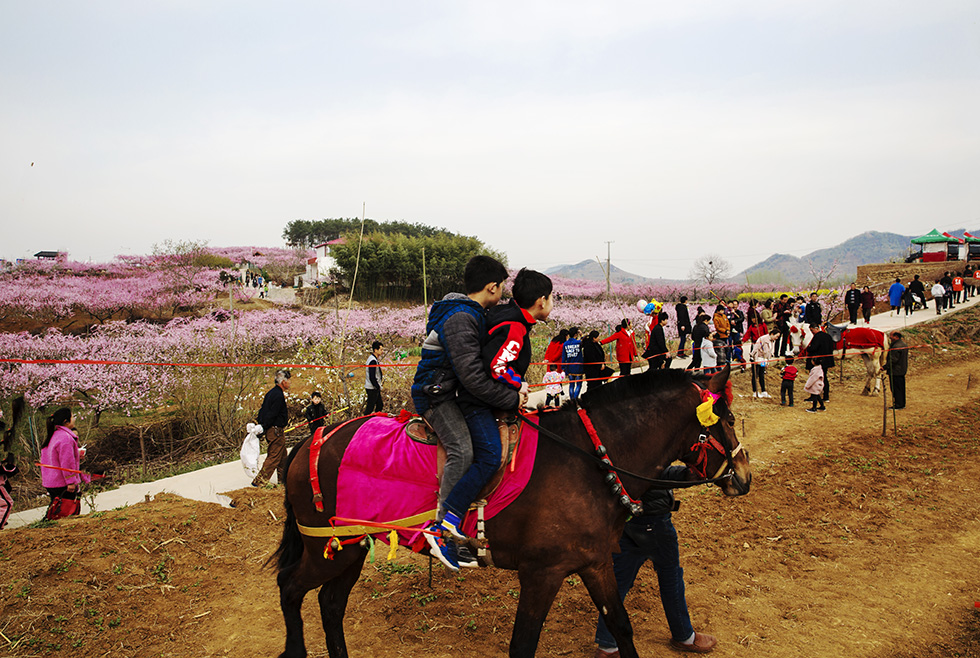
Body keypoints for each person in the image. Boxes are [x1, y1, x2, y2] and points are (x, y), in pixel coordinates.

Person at [412, 255, 520, 570]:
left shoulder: (469, 313)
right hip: (435, 396)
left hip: (448, 391)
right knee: (462, 449)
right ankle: (442, 532)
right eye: (501, 288)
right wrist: (511, 397)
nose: (502, 294)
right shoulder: (461, 318)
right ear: (492, 287)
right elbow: (472, 376)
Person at [593, 465, 718, 657]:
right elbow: (652, 473)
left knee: (618, 581)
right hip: (653, 521)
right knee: (671, 577)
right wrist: (688, 475)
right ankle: (684, 636)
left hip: (627, 517)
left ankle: (607, 645)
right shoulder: (641, 441)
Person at [40, 407, 90, 518]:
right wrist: (71, 482)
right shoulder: (66, 438)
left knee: (55, 509)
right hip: (62, 482)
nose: (74, 419)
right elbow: (66, 463)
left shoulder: (54, 435)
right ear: (65, 422)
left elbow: (53, 457)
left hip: (51, 481)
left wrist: (76, 455)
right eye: (72, 417)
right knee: (65, 513)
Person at [253, 369, 291, 487]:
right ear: (283, 382)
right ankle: (259, 482)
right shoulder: (278, 395)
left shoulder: (271, 393)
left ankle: (283, 480)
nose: (289, 383)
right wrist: (264, 426)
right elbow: (272, 414)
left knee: (282, 458)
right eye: (288, 381)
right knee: (274, 457)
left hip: (273, 430)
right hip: (275, 431)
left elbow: (262, 411)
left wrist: (261, 425)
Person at [805, 324, 835, 403]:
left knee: (815, 378)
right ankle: (826, 396)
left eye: (812, 330)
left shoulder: (817, 337)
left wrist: (809, 348)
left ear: (816, 328)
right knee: (824, 377)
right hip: (827, 361)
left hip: (818, 361)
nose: (812, 332)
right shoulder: (828, 336)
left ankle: (813, 396)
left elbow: (814, 348)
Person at [748, 328, 776, 399]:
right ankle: (755, 391)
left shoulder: (772, 341)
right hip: (757, 359)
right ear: (772, 334)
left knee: (762, 374)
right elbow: (756, 348)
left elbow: (769, 352)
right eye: (776, 336)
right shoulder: (762, 339)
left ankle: (763, 391)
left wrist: (768, 361)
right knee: (755, 375)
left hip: (764, 360)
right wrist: (753, 356)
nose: (777, 338)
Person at [885, 331, 908, 410]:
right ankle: (902, 403)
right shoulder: (903, 345)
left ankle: (898, 404)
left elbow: (893, 360)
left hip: (895, 371)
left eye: (891, 336)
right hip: (901, 370)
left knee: (896, 388)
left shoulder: (896, 347)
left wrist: (884, 367)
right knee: (901, 388)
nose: (890, 337)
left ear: (896, 337)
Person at [562, 327, 585, 399]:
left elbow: (563, 356)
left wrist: (563, 368)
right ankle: (575, 399)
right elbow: (585, 339)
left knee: (571, 384)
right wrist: (581, 334)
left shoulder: (565, 344)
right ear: (576, 334)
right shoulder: (578, 342)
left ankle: (571, 399)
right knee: (578, 384)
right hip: (578, 366)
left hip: (569, 367)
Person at [364, 341, 384, 415]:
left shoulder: (373, 359)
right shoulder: (372, 361)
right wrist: (376, 386)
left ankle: (375, 420)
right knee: (370, 407)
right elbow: (372, 376)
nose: (382, 351)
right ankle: (364, 422)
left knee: (379, 405)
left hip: (373, 387)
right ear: (375, 350)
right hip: (372, 388)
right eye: (381, 349)